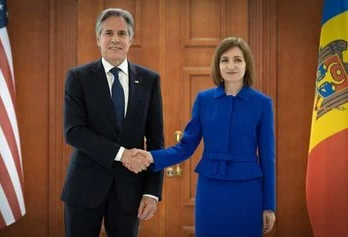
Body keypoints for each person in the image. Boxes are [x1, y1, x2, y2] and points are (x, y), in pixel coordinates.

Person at [129, 37, 276, 236]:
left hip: (248, 189)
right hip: (211, 187)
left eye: (237, 60)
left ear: (247, 64)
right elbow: (186, 146)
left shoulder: (262, 103)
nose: (231, 65)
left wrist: (269, 205)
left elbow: (267, 157)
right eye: (224, 60)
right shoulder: (204, 100)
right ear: (218, 65)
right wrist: (152, 157)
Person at [60, 8, 164, 237]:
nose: (115, 39)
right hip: (84, 189)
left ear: (130, 39)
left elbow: (156, 141)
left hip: (129, 193)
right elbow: (74, 132)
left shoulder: (149, 80)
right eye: (108, 33)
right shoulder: (78, 77)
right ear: (98, 39)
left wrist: (152, 192)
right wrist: (122, 154)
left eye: (122, 33)